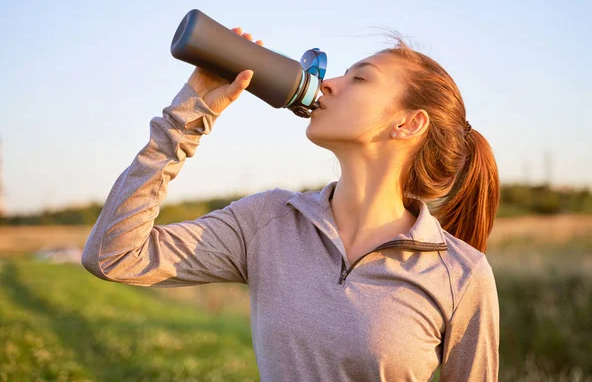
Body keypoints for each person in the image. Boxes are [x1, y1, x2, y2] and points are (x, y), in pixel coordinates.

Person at [82, 26, 500, 381]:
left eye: (360, 78)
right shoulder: (268, 221)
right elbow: (114, 255)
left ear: (408, 123)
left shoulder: (461, 276)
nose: (330, 83)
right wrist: (187, 116)